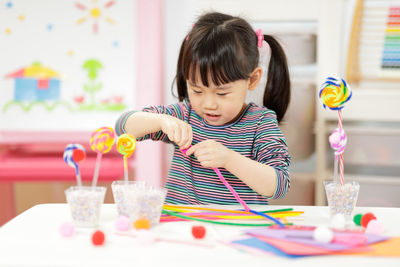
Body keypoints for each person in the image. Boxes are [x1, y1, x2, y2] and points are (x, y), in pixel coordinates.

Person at [115, 12, 291, 205]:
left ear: (253, 79)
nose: (209, 104)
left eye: (222, 93)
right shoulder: (184, 115)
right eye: (197, 90)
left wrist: (229, 159)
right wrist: (161, 121)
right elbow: (123, 127)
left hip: (236, 229)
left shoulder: (260, 122)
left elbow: (279, 185)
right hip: (182, 227)